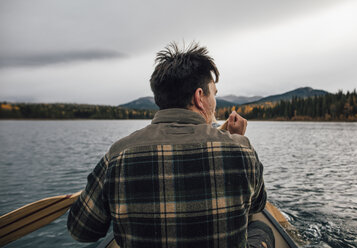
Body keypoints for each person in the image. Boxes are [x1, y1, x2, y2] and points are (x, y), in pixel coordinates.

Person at [67, 42, 274, 248]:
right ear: (199, 97)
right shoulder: (242, 149)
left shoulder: (118, 153)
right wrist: (237, 141)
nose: (215, 103)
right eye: (214, 94)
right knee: (261, 229)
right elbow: (256, 204)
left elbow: (82, 231)